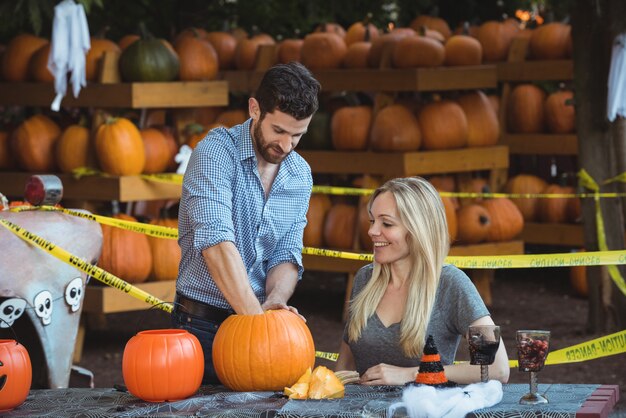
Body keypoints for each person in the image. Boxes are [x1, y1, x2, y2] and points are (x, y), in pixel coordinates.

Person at [173, 62, 321, 384]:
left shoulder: (300, 174)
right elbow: (216, 244)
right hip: (201, 328)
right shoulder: (214, 153)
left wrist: (276, 301)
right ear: (255, 109)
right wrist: (258, 324)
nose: (285, 146)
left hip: (259, 323)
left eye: (297, 136)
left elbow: (287, 252)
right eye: (278, 131)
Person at [335, 177, 510, 385]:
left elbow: (496, 368)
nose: (372, 231)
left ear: (419, 229)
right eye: (372, 220)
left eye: (387, 223)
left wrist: (412, 373)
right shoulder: (365, 278)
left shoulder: (449, 283)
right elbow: (343, 367)